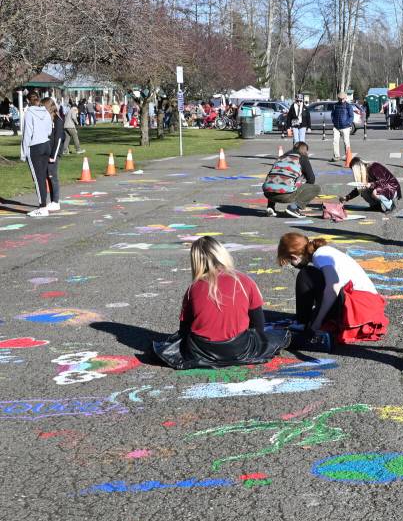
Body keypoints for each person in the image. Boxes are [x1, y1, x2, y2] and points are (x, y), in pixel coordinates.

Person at [152, 237, 284, 369]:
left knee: (168, 345)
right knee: (279, 335)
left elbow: (184, 330)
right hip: (240, 349)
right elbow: (258, 325)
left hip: (201, 352)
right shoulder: (244, 281)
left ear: (196, 262)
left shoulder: (193, 288)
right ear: (223, 254)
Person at [277, 232, 388, 346]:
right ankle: (307, 321)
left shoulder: (320, 255)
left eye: (290, 262)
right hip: (366, 305)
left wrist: (317, 322)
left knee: (305, 274)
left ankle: (302, 322)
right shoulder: (325, 252)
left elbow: (333, 287)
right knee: (313, 277)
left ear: (294, 257)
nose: (292, 265)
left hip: (359, 307)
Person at [262, 142, 320, 218]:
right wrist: (303, 190)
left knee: (275, 180)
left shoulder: (281, 157)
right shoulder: (302, 158)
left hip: (268, 193)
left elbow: (272, 176)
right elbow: (311, 179)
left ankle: (270, 207)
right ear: (305, 151)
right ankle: (294, 208)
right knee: (316, 188)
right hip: (284, 196)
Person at [19, 92, 53, 218]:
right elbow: (50, 129)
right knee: (42, 176)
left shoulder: (28, 113)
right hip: (46, 145)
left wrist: (23, 153)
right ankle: (44, 203)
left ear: (28, 101)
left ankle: (42, 206)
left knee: (37, 178)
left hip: (35, 147)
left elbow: (27, 134)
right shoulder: (45, 112)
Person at [40, 98, 63, 213]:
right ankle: (52, 201)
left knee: (52, 177)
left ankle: (56, 201)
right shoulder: (47, 120)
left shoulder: (58, 120)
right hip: (46, 152)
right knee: (47, 177)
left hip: (53, 154)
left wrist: (53, 155)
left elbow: (59, 139)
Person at [330, 92, 355, 163]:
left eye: (343, 99)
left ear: (345, 98)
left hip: (345, 127)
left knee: (346, 142)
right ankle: (336, 156)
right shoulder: (335, 105)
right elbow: (332, 115)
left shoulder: (348, 106)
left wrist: (348, 123)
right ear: (338, 98)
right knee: (335, 141)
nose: (341, 100)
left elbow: (351, 116)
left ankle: (348, 157)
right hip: (336, 127)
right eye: (340, 99)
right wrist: (334, 121)